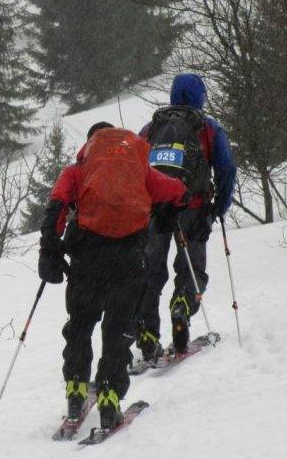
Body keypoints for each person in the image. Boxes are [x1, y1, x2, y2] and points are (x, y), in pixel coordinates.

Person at [38, 122, 187, 429]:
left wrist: (50, 247)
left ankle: (76, 394)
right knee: (118, 329)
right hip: (128, 255)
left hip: (87, 254)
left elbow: (57, 204)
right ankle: (109, 399)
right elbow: (174, 190)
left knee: (80, 325)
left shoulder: (77, 171)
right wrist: (182, 198)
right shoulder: (138, 172)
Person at [136, 73, 236, 361]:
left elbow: (136, 170)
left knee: (150, 272)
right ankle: (181, 305)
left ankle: (147, 333)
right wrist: (218, 207)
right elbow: (227, 169)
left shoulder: (151, 128)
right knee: (192, 267)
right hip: (193, 208)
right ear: (199, 97)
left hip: (154, 210)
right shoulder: (208, 128)